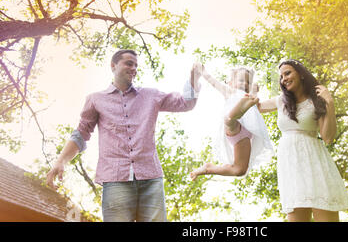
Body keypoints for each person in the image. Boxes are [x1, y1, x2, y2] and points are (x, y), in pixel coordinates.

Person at [46, 49, 202, 222]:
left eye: (136, 65)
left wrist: (194, 79)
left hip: (150, 178)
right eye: (129, 63)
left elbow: (185, 103)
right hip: (116, 180)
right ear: (113, 66)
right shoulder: (95, 99)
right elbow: (81, 134)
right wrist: (61, 161)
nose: (133, 68)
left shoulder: (151, 96)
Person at [257, 59, 348, 222]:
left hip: (314, 164)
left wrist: (329, 103)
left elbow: (328, 137)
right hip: (291, 167)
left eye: (287, 73)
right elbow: (252, 107)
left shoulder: (315, 101)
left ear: (300, 74)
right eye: (281, 76)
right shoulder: (280, 101)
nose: (284, 79)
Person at [190, 66, 273, 181]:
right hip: (233, 125)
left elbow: (256, 110)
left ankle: (208, 168)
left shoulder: (250, 96)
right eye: (241, 80)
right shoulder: (230, 91)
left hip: (245, 135)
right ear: (230, 83)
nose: (244, 84)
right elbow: (213, 82)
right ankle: (235, 114)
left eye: (248, 82)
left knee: (240, 170)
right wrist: (203, 72)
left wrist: (254, 91)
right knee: (230, 121)